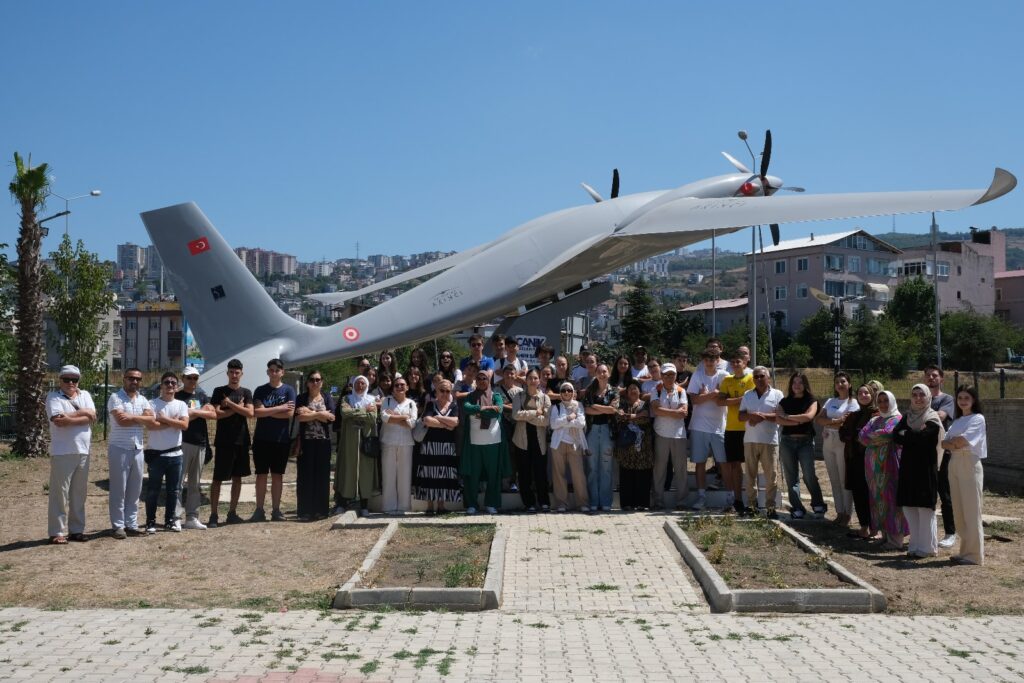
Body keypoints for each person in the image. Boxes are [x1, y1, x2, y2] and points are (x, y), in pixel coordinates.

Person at [45, 364, 97, 544]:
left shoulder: (86, 395)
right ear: (60, 380)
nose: (70, 383)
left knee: (79, 494)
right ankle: (57, 532)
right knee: (60, 494)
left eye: (74, 379)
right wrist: (84, 414)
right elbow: (59, 421)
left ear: (78, 381)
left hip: (83, 451)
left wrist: (71, 416)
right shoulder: (53, 397)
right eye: (66, 379)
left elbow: (92, 416)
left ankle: (76, 530)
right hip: (62, 452)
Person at [893, 384, 945, 558]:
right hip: (908, 467)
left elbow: (927, 440)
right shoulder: (908, 416)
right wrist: (913, 435)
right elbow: (895, 436)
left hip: (925, 468)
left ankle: (928, 547)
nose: (918, 398)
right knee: (909, 506)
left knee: (924, 508)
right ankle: (915, 545)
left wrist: (906, 435)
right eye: (914, 394)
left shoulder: (932, 417)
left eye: (921, 394)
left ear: (928, 396)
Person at [107, 367, 155, 538]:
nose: (134, 382)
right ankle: (118, 526)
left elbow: (151, 421)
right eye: (131, 378)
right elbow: (121, 421)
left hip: (138, 449)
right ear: (124, 379)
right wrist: (141, 419)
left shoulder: (143, 399)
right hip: (119, 447)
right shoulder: (115, 397)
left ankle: (132, 524)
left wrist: (133, 418)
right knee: (119, 489)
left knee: (135, 490)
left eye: (138, 379)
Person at [941, 385, 986, 566]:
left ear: (973, 399)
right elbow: (944, 444)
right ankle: (964, 551)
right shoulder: (957, 421)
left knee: (971, 509)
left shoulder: (978, 418)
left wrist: (952, 443)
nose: (963, 401)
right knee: (959, 509)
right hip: (954, 462)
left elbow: (961, 441)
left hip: (969, 462)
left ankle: (974, 555)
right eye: (960, 397)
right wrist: (953, 443)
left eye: (967, 397)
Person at [859, 390, 908, 550]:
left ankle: (895, 540)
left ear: (892, 401)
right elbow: (862, 437)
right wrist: (875, 436)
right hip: (874, 470)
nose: (882, 404)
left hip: (890, 468)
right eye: (879, 401)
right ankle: (885, 535)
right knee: (877, 500)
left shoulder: (897, 419)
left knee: (891, 500)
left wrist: (874, 436)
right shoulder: (875, 419)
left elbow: (887, 434)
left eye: (886, 400)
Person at [209, 359, 254, 528]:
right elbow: (216, 414)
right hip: (223, 441)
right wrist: (236, 408)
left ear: (241, 374)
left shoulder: (247, 392)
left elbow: (250, 413)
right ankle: (214, 514)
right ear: (227, 373)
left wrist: (229, 405)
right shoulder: (219, 391)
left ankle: (232, 513)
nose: (234, 375)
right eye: (231, 372)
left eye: (237, 372)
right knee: (218, 478)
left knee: (237, 478)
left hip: (241, 441)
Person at [251, 359, 297, 522]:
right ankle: (259, 510)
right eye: (271, 370)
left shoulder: (289, 390)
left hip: (280, 439)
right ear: (267, 372)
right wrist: (279, 408)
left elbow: (289, 414)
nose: (274, 372)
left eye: (277, 370)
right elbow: (256, 412)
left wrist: (267, 411)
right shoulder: (260, 390)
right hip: (261, 439)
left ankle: (276, 510)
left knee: (278, 475)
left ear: (282, 372)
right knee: (261, 475)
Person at [144, 372, 190, 534]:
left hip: (175, 455)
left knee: (174, 490)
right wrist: (174, 422)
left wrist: (164, 419)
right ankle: (150, 522)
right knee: (153, 491)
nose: (170, 385)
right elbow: (151, 426)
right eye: (166, 382)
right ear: (161, 385)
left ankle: (170, 521)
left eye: (173, 383)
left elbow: (184, 426)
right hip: (156, 455)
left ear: (177, 387)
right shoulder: (151, 404)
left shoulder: (181, 405)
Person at [776, 372, 825, 519]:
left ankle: (818, 504)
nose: (797, 385)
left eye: (800, 382)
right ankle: (797, 507)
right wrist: (798, 420)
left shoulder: (812, 400)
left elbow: (809, 416)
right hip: (787, 442)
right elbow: (779, 420)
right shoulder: (784, 401)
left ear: (805, 385)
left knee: (809, 475)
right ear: (791, 385)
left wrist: (788, 417)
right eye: (794, 382)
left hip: (806, 442)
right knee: (791, 477)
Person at [461, 370, 511, 514]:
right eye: (479, 378)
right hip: (474, 443)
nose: (482, 380)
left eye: (485, 378)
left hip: (493, 442)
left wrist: (478, 411)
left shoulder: (495, 396)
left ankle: (491, 503)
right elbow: (466, 408)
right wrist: (484, 408)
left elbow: (498, 410)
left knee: (493, 475)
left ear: (489, 380)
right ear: (476, 380)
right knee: (472, 475)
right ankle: (472, 504)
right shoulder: (470, 396)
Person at [174, 366, 216, 530]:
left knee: (195, 484)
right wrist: (199, 411)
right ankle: (175, 516)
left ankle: (192, 517)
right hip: (182, 443)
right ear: (183, 378)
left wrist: (191, 412)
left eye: (195, 378)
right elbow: (179, 419)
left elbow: (213, 414)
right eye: (189, 378)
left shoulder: (201, 395)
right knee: (177, 482)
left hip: (200, 443)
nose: (192, 381)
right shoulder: (177, 397)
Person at [739, 367, 783, 517]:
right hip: (750, 440)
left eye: (761, 376)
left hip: (770, 441)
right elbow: (741, 416)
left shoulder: (777, 394)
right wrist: (752, 416)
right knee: (750, 475)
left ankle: (771, 507)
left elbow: (780, 415)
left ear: (768, 378)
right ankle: (752, 505)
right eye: (755, 377)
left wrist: (761, 416)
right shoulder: (747, 395)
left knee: (771, 475)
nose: (758, 379)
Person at [816, 372, 859, 527]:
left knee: (844, 479)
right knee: (833, 479)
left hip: (842, 442)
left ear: (849, 384)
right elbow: (819, 419)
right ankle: (839, 512)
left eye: (843, 381)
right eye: (837, 382)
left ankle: (848, 513)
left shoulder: (853, 403)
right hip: (828, 441)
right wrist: (835, 421)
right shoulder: (830, 401)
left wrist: (830, 423)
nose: (840, 384)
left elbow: (847, 424)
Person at [686, 350, 727, 511]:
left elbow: (724, 400)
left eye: (713, 359)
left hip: (719, 426)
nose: (709, 362)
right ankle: (701, 496)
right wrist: (713, 394)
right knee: (700, 463)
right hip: (699, 426)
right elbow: (695, 400)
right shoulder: (697, 375)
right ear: (703, 361)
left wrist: (706, 396)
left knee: (723, 463)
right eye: (706, 359)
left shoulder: (724, 376)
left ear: (718, 360)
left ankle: (731, 497)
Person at [414, 379, 462, 514]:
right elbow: (428, 421)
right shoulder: (430, 404)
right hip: (430, 446)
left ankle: (441, 506)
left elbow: (455, 422)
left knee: (444, 475)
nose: (445, 393)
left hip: (447, 447)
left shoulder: (453, 406)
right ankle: (430, 507)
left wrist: (438, 419)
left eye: (448, 391)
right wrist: (446, 425)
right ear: (436, 391)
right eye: (442, 390)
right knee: (429, 474)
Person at [838, 383, 879, 539]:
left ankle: (875, 528)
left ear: (872, 395)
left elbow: (872, 436)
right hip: (854, 459)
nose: (863, 396)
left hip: (870, 460)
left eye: (866, 393)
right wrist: (856, 437)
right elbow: (842, 433)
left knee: (871, 494)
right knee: (858, 493)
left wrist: (856, 437)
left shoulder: (876, 414)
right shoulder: (854, 415)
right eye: (860, 393)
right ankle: (864, 526)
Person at [335, 375, 380, 516]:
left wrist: (355, 413)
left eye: (363, 383)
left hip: (365, 440)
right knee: (347, 468)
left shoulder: (372, 400)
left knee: (365, 471)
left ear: (367, 386)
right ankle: (342, 503)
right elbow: (344, 412)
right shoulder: (347, 399)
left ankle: (364, 505)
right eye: (358, 383)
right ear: (353, 385)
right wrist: (363, 411)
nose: (360, 386)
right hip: (349, 441)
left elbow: (372, 418)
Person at [923, 365, 957, 549]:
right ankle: (929, 532)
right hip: (924, 452)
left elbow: (940, 416)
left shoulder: (947, 399)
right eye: (928, 375)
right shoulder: (921, 398)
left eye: (934, 376)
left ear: (941, 379)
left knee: (945, 493)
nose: (931, 378)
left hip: (942, 451)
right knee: (927, 493)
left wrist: (920, 417)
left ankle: (951, 532)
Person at [295, 371, 336, 520]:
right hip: (306, 442)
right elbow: (300, 417)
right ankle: (305, 511)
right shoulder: (301, 398)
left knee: (322, 477)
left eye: (318, 380)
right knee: (305, 477)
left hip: (323, 442)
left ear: (322, 382)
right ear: (307, 382)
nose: (315, 382)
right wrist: (320, 414)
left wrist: (310, 412)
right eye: (312, 380)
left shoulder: (327, 397)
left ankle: (321, 511)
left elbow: (331, 418)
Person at [718, 350, 755, 514]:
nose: (735, 365)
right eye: (732, 362)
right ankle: (738, 500)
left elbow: (752, 400)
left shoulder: (752, 378)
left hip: (748, 428)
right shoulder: (727, 380)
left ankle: (752, 501)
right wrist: (740, 399)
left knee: (752, 465)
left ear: (745, 363)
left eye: (738, 362)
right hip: (731, 427)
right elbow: (720, 402)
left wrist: (731, 401)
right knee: (734, 465)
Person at [511, 369, 552, 511]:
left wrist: (527, 416)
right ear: (526, 380)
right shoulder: (519, 396)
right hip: (522, 440)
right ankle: (529, 503)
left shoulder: (545, 398)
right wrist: (536, 412)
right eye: (530, 378)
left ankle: (544, 502)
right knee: (524, 473)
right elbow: (516, 415)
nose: (533, 380)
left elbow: (546, 421)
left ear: (539, 380)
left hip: (539, 440)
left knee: (540, 472)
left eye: (535, 378)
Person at [650, 363, 688, 510]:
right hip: (661, 433)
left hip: (679, 435)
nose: (669, 377)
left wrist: (664, 411)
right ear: (661, 376)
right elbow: (656, 410)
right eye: (666, 374)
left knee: (681, 469)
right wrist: (675, 413)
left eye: (671, 374)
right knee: (659, 469)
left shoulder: (681, 391)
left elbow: (684, 412)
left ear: (675, 375)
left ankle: (682, 502)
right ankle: (658, 501)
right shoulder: (656, 390)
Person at [582, 363, 619, 511]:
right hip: (591, 431)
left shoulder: (614, 391)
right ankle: (593, 501)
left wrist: (595, 406)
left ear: (609, 373)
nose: (602, 374)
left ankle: (605, 502)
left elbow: (613, 410)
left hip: (607, 431)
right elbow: (586, 410)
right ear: (595, 374)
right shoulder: (590, 391)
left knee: (606, 467)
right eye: (599, 371)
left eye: (605, 371)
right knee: (592, 467)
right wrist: (605, 409)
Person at [549, 382, 590, 512]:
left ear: (573, 392)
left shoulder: (579, 406)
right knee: (558, 475)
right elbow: (553, 424)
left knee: (579, 475)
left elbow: (581, 423)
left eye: (569, 390)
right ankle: (561, 503)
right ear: (560, 393)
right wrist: (569, 418)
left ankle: (582, 503)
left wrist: (564, 422)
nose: (566, 393)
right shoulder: (556, 407)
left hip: (574, 444)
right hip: (558, 444)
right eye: (563, 390)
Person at [380, 377, 418, 513]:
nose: (400, 387)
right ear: (393, 388)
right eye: (397, 385)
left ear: (407, 387)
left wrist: (394, 416)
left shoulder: (411, 403)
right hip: (388, 442)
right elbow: (385, 418)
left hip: (406, 443)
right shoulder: (387, 401)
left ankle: (404, 506)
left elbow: (412, 423)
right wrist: (403, 417)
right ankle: (389, 507)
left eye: (402, 385)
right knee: (388, 475)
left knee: (405, 476)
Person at [615, 380, 654, 511]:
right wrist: (637, 416)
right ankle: (627, 503)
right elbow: (619, 417)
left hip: (643, 448)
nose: (633, 391)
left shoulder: (645, 405)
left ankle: (642, 503)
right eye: (630, 388)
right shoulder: (622, 405)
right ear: (626, 392)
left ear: (639, 391)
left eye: (635, 388)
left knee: (643, 476)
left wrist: (629, 417)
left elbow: (646, 418)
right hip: (626, 449)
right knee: (626, 476)